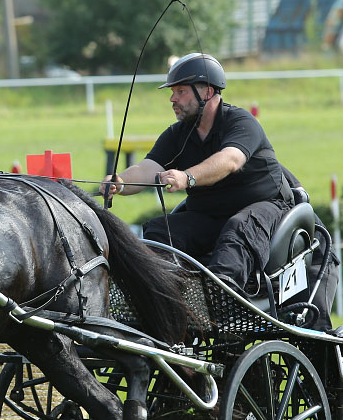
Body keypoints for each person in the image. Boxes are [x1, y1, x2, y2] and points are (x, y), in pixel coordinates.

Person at [101, 52, 292, 295]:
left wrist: (187, 177)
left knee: (237, 229)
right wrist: (120, 181)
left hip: (265, 209)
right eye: (173, 92)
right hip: (209, 216)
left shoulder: (242, 122)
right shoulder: (177, 134)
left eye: (181, 91)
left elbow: (230, 160)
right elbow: (149, 167)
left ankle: (221, 297)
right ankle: (164, 296)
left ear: (208, 92)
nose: (172, 98)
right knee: (159, 231)